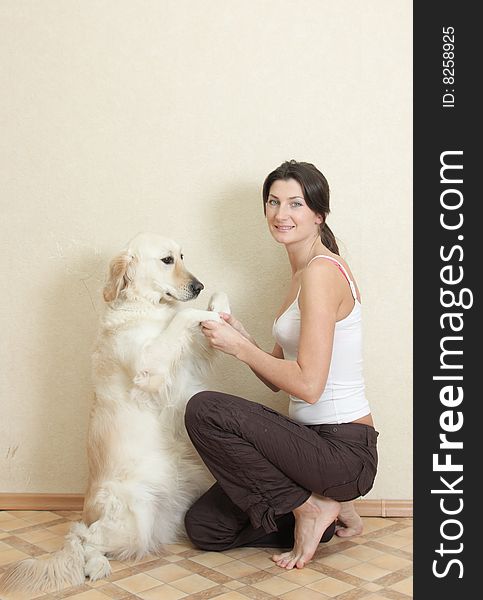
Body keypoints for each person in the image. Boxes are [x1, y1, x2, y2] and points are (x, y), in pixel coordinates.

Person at [184, 160, 379, 570]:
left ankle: (312, 506)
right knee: (205, 528)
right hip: (308, 447)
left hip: (342, 449)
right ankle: (326, 507)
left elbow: (308, 385)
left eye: (295, 204)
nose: (280, 214)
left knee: (205, 409)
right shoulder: (299, 273)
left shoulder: (321, 273)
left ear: (318, 214)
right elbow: (279, 376)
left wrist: (239, 348)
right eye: (273, 202)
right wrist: (243, 336)